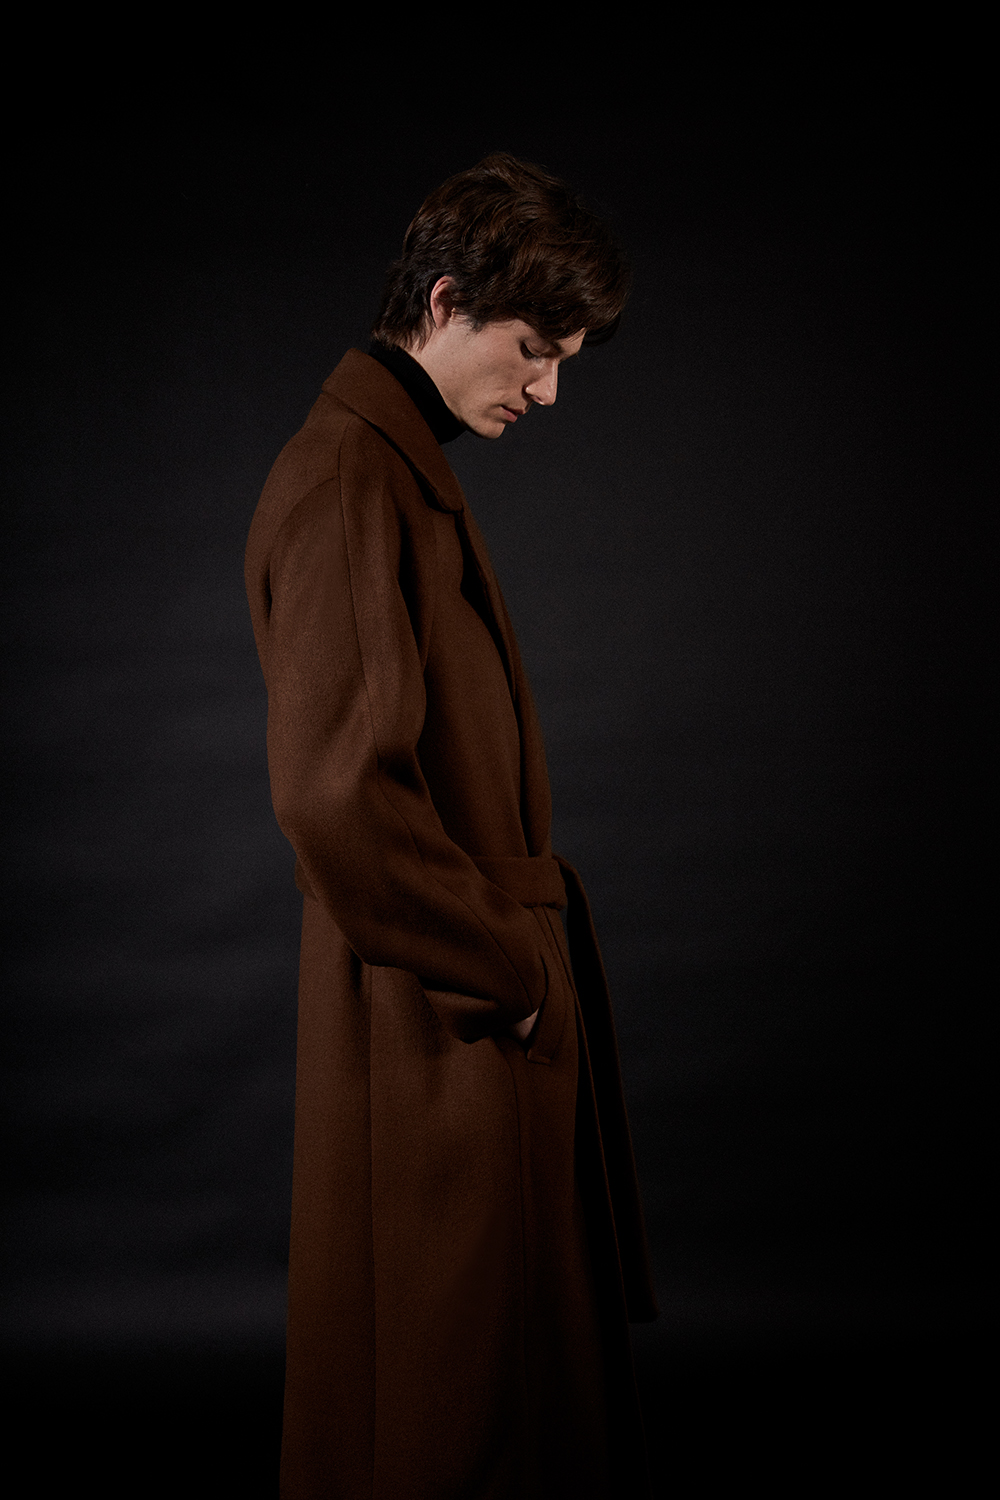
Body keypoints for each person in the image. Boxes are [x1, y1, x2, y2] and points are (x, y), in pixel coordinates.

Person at [245, 153, 657, 1500]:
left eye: (565, 361)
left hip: (454, 1009)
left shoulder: (390, 470)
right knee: (441, 1404)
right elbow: (336, 796)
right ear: (443, 303)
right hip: (437, 1013)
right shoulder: (349, 479)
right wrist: (508, 971)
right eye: (535, 349)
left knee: (495, 1392)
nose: (548, 390)